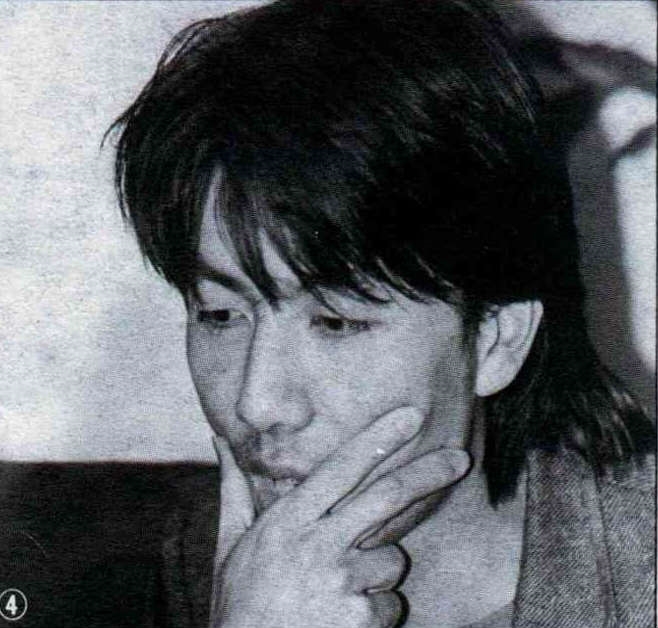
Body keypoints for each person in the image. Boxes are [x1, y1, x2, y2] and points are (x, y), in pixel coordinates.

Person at [109, 1, 655, 626]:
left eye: (336, 322)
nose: (257, 404)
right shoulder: (208, 560)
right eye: (220, 314)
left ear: (496, 340)